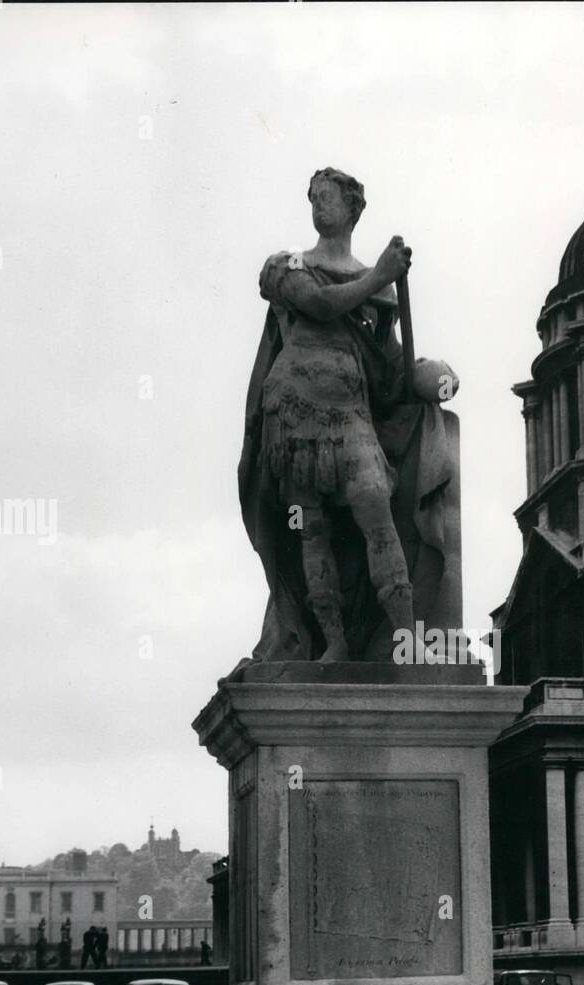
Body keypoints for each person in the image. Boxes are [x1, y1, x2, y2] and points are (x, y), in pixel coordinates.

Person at [237, 166, 460, 665]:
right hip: (293, 416)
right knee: (310, 528)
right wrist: (380, 276)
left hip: (350, 411)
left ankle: (406, 635)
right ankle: (332, 641)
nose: (319, 205)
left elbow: (392, 367)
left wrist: (436, 376)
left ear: (353, 208)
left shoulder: (376, 290)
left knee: (375, 506)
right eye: (313, 197)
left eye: (329, 198)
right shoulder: (289, 265)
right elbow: (317, 304)